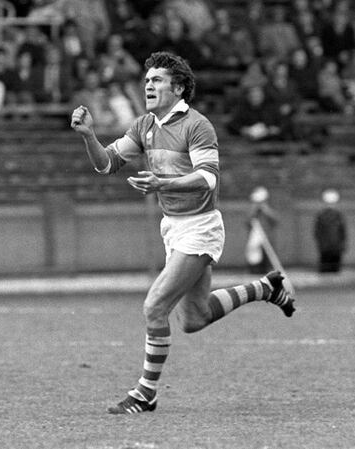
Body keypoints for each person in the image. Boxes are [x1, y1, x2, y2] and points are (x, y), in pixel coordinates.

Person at [70, 51, 295, 414]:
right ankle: (266, 288)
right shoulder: (144, 125)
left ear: (177, 88)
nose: (148, 85)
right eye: (147, 80)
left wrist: (163, 183)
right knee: (194, 318)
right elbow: (107, 164)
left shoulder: (197, 125)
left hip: (200, 227)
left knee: (154, 306)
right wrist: (88, 136)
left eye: (157, 80)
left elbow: (208, 178)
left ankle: (145, 393)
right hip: (173, 228)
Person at [245, 186, 279, 274]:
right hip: (255, 236)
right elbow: (247, 221)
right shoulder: (252, 211)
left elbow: (275, 220)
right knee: (254, 254)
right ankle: (254, 270)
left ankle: (267, 271)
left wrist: (265, 209)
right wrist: (254, 210)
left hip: (266, 237)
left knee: (267, 255)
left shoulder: (268, 210)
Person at [314, 188, 347, 273]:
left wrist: (342, 244)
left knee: (333, 269)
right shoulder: (322, 216)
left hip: (334, 248)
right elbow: (318, 233)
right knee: (327, 269)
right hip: (327, 248)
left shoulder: (338, 215)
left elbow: (342, 232)